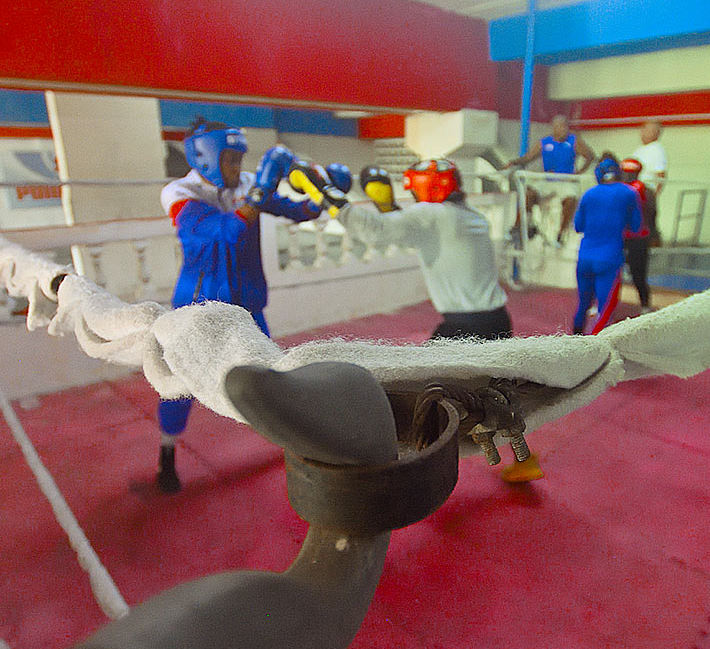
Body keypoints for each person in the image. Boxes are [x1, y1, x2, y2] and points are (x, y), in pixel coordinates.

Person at [156, 120, 326, 494]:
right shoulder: (179, 192)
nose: (236, 168)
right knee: (179, 384)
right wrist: (261, 190)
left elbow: (299, 212)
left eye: (239, 158)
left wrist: (322, 190)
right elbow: (225, 235)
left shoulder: (247, 184)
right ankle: (167, 454)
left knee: (269, 374)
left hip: (248, 304)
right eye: (229, 159)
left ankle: (291, 441)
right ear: (205, 157)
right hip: (198, 309)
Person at [337, 158, 511, 341]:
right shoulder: (472, 215)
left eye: (414, 191)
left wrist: (330, 199)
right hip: (497, 321)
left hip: (467, 328)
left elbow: (376, 231)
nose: (414, 196)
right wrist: (387, 207)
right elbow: (410, 236)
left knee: (425, 368)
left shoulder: (431, 214)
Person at [572, 156, 641, 335]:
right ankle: (597, 350)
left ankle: (574, 342)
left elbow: (578, 226)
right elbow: (636, 227)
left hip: (585, 256)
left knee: (583, 305)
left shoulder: (589, 194)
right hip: (609, 258)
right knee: (605, 309)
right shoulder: (628, 193)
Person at [505, 114, 595, 244]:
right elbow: (528, 158)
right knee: (529, 194)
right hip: (547, 180)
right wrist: (513, 162)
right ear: (554, 128)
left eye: (565, 126)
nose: (564, 129)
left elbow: (590, 155)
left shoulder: (574, 141)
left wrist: (579, 172)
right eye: (561, 126)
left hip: (565, 181)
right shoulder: (545, 142)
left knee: (571, 200)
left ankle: (561, 232)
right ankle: (518, 225)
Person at [620, 157, 658, 313]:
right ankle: (603, 303)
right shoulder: (617, 190)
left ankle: (645, 304)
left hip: (638, 238)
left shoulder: (646, 191)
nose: (628, 176)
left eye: (631, 173)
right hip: (620, 237)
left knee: (639, 273)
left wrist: (654, 235)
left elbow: (653, 213)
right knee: (610, 273)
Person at [631, 120, 667, 198]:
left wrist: (653, 197)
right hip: (634, 190)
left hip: (645, 192)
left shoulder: (657, 150)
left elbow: (661, 175)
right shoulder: (640, 149)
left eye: (646, 130)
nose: (642, 132)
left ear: (655, 133)